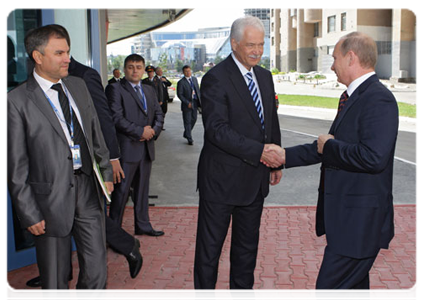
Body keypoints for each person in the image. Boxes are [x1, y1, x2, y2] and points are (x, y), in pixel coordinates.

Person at [275, 32, 399, 299]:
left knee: (329, 291)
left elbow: (373, 157)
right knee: (352, 291)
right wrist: (283, 156)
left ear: (351, 57)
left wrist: (330, 146)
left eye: (334, 58)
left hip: (359, 225)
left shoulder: (378, 99)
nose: (332, 66)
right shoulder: (354, 96)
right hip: (347, 223)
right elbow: (327, 147)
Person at [5, 24, 113, 299]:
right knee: (54, 280)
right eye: (59, 53)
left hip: (88, 190)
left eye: (68, 51)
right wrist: (28, 212)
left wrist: (106, 173)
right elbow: (15, 165)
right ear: (38, 57)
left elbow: (95, 133)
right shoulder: (16, 101)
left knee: (97, 268)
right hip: (48, 200)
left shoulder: (78, 85)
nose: (67, 58)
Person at [194, 16, 284, 300]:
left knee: (246, 249)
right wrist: (261, 152)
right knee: (210, 251)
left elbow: (270, 122)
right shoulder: (215, 79)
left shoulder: (266, 77)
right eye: (251, 45)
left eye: (261, 44)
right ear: (234, 44)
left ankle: (243, 295)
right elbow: (217, 131)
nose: (257, 51)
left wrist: (276, 160)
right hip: (221, 182)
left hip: (254, 181)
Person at [106, 54, 165, 237]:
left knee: (142, 190)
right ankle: (114, 233)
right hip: (127, 149)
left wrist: (153, 131)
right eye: (131, 67)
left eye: (139, 67)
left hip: (146, 149)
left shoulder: (149, 89)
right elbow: (116, 118)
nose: (135, 70)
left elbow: (159, 114)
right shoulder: (115, 89)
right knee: (121, 192)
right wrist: (140, 132)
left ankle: (143, 225)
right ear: (124, 69)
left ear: (144, 68)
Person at [177, 65, 201, 145]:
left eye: (189, 71)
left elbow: (197, 90)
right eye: (186, 71)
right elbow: (180, 94)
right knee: (187, 121)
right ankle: (189, 139)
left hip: (195, 102)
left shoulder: (194, 79)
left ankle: (186, 133)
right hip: (187, 104)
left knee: (194, 119)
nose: (188, 73)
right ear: (183, 72)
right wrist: (187, 103)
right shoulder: (181, 82)